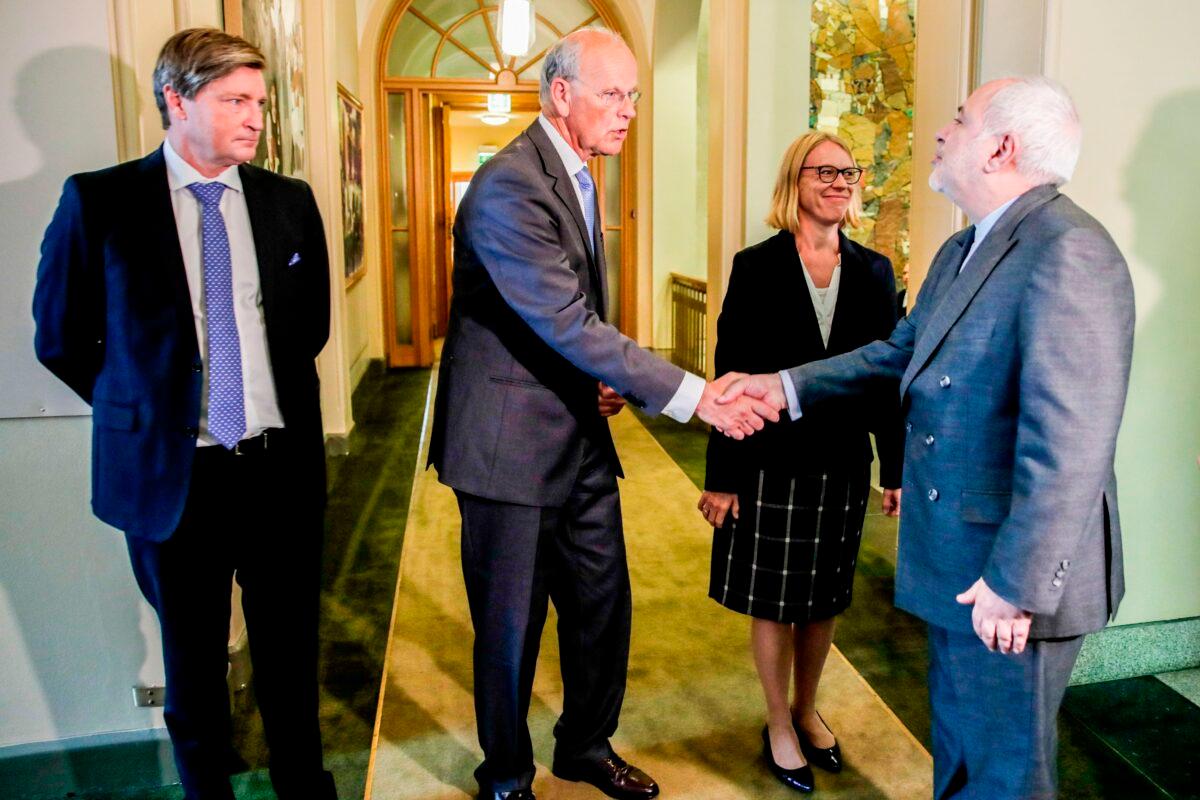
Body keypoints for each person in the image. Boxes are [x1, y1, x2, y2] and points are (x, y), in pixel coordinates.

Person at [719, 76, 1134, 799]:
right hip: (956, 559)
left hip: (1008, 579)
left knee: (1005, 775)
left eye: (959, 119)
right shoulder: (962, 249)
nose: (940, 132)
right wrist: (782, 386)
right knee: (962, 762)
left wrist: (1017, 582)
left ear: (1002, 146)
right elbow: (895, 354)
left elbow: (1072, 443)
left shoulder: (1069, 250)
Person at [427, 28, 779, 800]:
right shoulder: (508, 185)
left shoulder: (580, 174)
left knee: (602, 607)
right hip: (506, 449)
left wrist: (598, 381)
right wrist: (695, 395)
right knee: (511, 630)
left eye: (634, 97)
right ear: (561, 94)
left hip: (578, 438)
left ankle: (584, 746)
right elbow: (565, 321)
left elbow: (569, 319)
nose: (628, 113)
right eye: (612, 95)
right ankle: (507, 775)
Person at [33, 29, 336, 800]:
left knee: (291, 659)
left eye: (259, 103)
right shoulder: (100, 202)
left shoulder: (287, 202)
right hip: (177, 482)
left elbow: (310, 331)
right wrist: (146, 414)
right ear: (177, 100)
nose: (254, 118)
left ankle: (305, 788)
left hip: (277, 470)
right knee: (194, 669)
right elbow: (62, 338)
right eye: (235, 100)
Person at [697, 131, 903, 793]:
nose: (841, 182)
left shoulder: (873, 271)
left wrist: (892, 466)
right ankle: (776, 722)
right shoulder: (756, 266)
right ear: (796, 181)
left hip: (841, 461)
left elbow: (885, 377)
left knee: (823, 600)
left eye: (851, 172)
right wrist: (722, 477)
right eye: (826, 171)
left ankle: (806, 708)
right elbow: (729, 375)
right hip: (769, 460)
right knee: (775, 601)